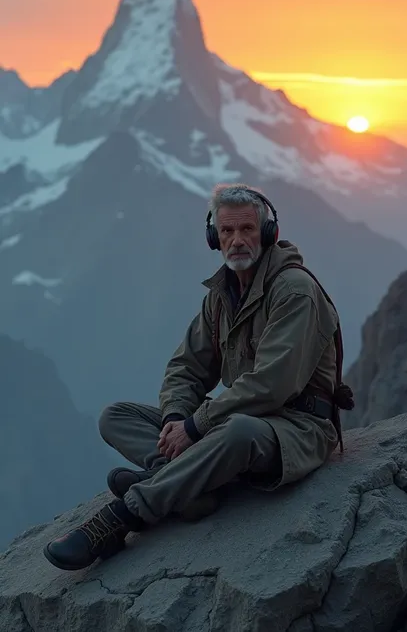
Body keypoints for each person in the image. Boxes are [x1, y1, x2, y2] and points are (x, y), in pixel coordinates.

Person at [44, 183, 344, 571]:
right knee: (115, 416)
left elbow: (273, 385)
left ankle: (120, 518)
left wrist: (197, 425)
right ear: (213, 238)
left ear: (269, 234)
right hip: (233, 422)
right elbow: (185, 368)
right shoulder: (221, 296)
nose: (237, 241)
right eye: (227, 232)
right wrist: (174, 421)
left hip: (296, 429)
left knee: (237, 431)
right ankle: (187, 487)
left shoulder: (294, 291)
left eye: (247, 230)